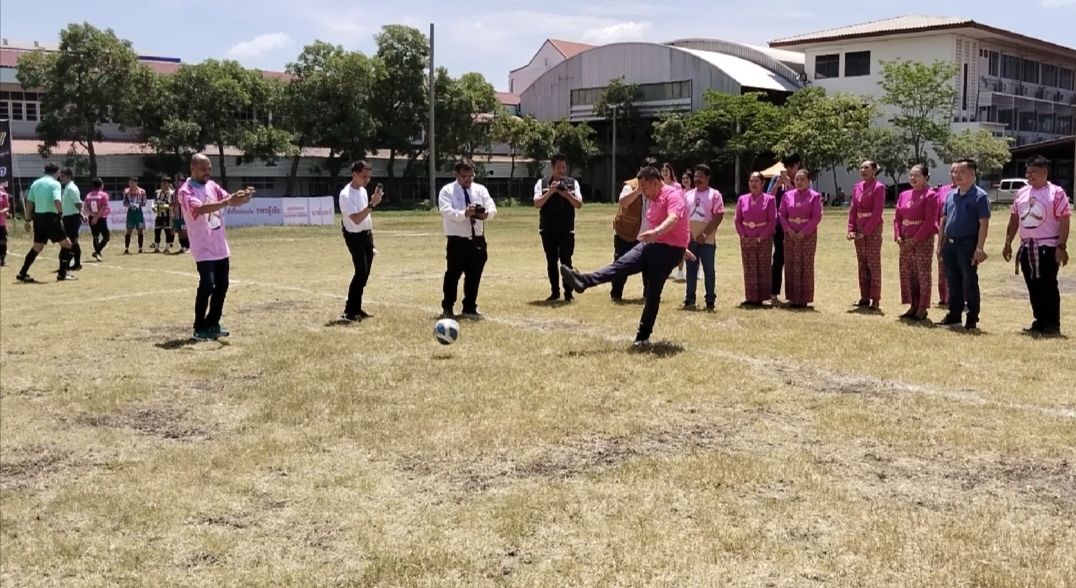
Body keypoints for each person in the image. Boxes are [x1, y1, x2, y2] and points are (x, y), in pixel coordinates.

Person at [559, 165, 690, 347]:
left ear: (655, 182)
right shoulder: (653, 198)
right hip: (652, 245)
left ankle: (643, 336)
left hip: (668, 251)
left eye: (644, 188)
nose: (642, 192)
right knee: (620, 265)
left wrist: (662, 235)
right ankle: (584, 281)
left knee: (653, 292)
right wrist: (661, 236)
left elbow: (674, 218)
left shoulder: (672, 195)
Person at [176, 154, 254, 340]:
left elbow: (229, 200)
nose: (208, 173)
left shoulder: (212, 186)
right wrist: (227, 202)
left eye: (210, 169)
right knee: (207, 285)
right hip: (203, 248)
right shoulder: (185, 191)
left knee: (222, 285)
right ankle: (199, 326)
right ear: (193, 167)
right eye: (204, 169)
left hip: (220, 246)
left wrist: (244, 196)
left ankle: (213, 322)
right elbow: (199, 209)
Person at [1002, 155, 1070, 335]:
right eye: (1027, 171)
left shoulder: (1056, 192)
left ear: (1044, 172)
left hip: (1047, 245)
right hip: (1027, 246)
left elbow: (1064, 220)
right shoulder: (1022, 192)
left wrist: (1061, 246)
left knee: (1047, 284)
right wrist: (1008, 242)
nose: (1029, 175)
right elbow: (1014, 218)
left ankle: (1052, 323)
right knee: (1032, 284)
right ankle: (1040, 319)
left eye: (1034, 172)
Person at [936, 159, 990, 330]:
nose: (956, 175)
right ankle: (954, 315)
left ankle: (972, 317)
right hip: (950, 244)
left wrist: (979, 248)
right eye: (953, 172)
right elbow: (943, 220)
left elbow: (983, 223)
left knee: (969, 281)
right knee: (953, 282)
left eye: (960, 172)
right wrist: (940, 244)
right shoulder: (950, 195)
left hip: (967, 244)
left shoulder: (980, 196)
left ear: (972, 174)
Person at [439, 161, 497, 319]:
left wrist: (486, 214)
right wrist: (464, 213)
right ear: (456, 175)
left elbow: (492, 207)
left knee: (474, 275)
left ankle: (470, 307)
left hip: (477, 238)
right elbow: (446, 211)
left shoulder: (480, 189)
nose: (468, 179)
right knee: (453, 275)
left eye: (471, 176)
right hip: (457, 240)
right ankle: (448, 307)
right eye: (464, 176)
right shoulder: (447, 191)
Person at [16, 163, 77, 282]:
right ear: (57, 172)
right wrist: (60, 213)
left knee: (37, 246)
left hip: (38, 218)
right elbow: (57, 200)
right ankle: (62, 274)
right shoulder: (55, 184)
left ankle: (22, 273)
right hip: (51, 217)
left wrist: (27, 219)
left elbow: (29, 202)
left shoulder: (36, 183)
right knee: (67, 245)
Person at [533, 154, 582, 302]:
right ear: (552, 168)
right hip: (547, 230)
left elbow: (579, 204)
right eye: (559, 167)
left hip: (567, 229)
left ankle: (568, 293)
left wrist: (566, 194)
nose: (562, 170)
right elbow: (537, 203)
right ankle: (555, 292)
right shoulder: (542, 184)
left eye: (564, 167)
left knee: (566, 261)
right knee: (551, 261)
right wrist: (551, 191)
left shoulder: (572, 183)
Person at [893, 164, 939, 321]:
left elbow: (929, 222)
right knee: (909, 273)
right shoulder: (904, 195)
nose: (913, 178)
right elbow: (897, 218)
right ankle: (912, 305)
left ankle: (922, 308)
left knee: (922, 273)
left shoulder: (930, 195)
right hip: (905, 240)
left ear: (926, 177)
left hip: (922, 240)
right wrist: (898, 235)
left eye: (917, 175)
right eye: (911, 175)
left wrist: (915, 239)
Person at [338, 160, 383, 322]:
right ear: (354, 175)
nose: (367, 180)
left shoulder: (362, 191)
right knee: (361, 272)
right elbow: (356, 219)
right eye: (364, 176)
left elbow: (364, 217)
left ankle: (356, 307)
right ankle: (350, 310)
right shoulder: (345, 195)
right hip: (354, 235)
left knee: (365, 273)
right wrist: (372, 205)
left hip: (366, 235)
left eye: (369, 177)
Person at [610, 157, 656, 302]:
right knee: (622, 264)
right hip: (627, 233)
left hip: (646, 235)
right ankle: (616, 294)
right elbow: (623, 203)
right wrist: (637, 192)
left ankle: (648, 295)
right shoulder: (630, 185)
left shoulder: (657, 188)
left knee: (650, 265)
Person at [778, 169, 823, 309]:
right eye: (796, 179)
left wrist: (804, 231)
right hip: (790, 235)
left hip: (807, 236)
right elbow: (782, 214)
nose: (799, 182)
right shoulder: (787, 195)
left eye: (802, 179)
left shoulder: (815, 196)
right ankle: (792, 297)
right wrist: (788, 230)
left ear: (808, 181)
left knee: (805, 265)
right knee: (791, 264)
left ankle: (803, 298)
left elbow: (817, 216)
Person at [682, 164, 725, 311]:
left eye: (700, 176)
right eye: (695, 176)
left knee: (709, 271)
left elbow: (719, 215)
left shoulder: (715, 195)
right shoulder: (687, 195)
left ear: (708, 178)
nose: (697, 179)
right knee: (691, 271)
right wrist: (687, 236)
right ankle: (689, 300)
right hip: (691, 240)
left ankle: (710, 301)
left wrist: (705, 234)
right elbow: (682, 217)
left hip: (707, 240)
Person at [847, 161, 886, 310]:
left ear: (874, 170)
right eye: (861, 168)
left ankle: (875, 298)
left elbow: (877, 213)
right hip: (858, 227)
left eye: (866, 168)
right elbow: (853, 209)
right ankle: (864, 296)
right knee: (862, 263)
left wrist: (865, 232)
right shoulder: (857, 187)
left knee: (873, 263)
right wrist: (851, 229)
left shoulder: (879, 187)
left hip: (873, 229)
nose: (863, 170)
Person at [735, 172, 778, 306]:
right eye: (751, 181)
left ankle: (762, 297)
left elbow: (772, 221)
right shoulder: (742, 199)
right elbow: (738, 220)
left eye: (756, 181)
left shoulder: (769, 199)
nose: (753, 184)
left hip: (763, 239)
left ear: (762, 183)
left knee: (763, 267)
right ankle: (751, 297)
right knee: (749, 267)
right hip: (747, 238)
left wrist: (761, 237)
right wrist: (743, 236)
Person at [767, 154, 804, 304]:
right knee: (778, 258)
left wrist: (790, 185)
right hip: (780, 225)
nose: (788, 170)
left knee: (796, 260)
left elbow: (804, 197)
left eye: (791, 166)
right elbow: (768, 199)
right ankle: (773, 293)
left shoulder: (803, 179)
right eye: (786, 166)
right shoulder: (776, 179)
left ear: (797, 165)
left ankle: (796, 294)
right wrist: (777, 185)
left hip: (798, 226)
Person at [662, 163, 687, 282]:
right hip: (662, 219)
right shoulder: (659, 185)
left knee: (678, 244)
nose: (665, 172)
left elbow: (680, 202)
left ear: (671, 172)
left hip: (674, 217)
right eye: (663, 170)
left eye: (667, 170)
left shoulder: (677, 186)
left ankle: (680, 270)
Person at [58, 168, 85, 271]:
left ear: (69, 176)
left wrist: (81, 213)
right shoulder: (67, 188)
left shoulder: (71, 188)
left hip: (73, 217)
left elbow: (78, 202)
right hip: (68, 217)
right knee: (71, 241)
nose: (61, 178)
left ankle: (75, 264)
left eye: (63, 176)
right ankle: (70, 264)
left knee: (72, 241)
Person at [934, 180, 954, 307]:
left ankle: (959, 297)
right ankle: (944, 297)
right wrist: (939, 230)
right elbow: (937, 213)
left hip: (960, 234)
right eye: (952, 172)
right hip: (943, 232)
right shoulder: (943, 190)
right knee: (943, 265)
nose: (955, 175)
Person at [84, 178, 111, 261]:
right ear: (101, 185)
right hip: (101, 218)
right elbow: (103, 207)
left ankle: (97, 254)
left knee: (95, 236)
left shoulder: (88, 195)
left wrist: (92, 215)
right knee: (106, 237)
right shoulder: (104, 195)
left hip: (92, 217)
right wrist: (96, 217)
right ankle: (97, 251)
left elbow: (85, 207)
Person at [123, 177, 147, 254]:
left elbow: (144, 202)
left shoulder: (142, 191)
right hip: (130, 212)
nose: (131, 184)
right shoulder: (126, 191)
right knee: (129, 230)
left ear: (136, 183)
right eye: (130, 183)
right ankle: (126, 248)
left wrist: (138, 204)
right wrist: (130, 205)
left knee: (140, 230)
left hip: (138, 212)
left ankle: (140, 248)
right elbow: (124, 202)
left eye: (132, 183)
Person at [152, 176, 176, 253]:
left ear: (169, 184)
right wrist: (154, 207)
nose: (163, 184)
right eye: (162, 183)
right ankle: (156, 248)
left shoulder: (172, 193)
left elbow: (171, 204)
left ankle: (167, 248)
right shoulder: (157, 192)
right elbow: (154, 202)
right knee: (157, 231)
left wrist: (162, 206)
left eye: (165, 183)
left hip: (167, 215)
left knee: (168, 231)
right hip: (159, 215)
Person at [172, 174, 190, 253]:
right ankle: (182, 247)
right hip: (176, 216)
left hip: (184, 216)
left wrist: (178, 202)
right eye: (176, 181)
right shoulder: (173, 194)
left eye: (180, 181)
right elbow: (171, 204)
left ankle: (188, 247)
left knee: (184, 231)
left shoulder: (186, 192)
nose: (178, 183)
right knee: (179, 232)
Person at [0, 182, 10, 266]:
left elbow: (7, 206)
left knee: (3, 241)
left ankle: (2, 259)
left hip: (1, 223)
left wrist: (2, 211)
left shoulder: (3, 194)